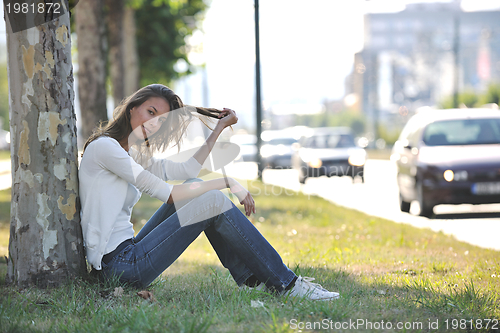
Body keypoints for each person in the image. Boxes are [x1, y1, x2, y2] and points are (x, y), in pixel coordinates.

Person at [79, 84, 339, 301]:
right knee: (212, 200)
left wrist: (219, 128)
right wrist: (225, 182)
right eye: (150, 111)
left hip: (128, 252)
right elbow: (169, 194)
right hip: (120, 265)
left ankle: (251, 281)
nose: (154, 123)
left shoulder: (130, 153)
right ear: (132, 107)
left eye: (161, 120)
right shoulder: (106, 149)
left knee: (197, 187)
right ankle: (288, 284)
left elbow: (187, 168)